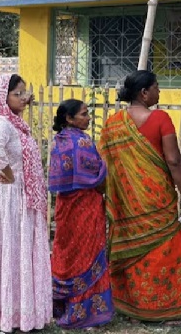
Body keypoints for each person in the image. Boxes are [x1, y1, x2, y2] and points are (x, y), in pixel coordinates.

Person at [98, 70, 181, 326]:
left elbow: (105, 166)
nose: (159, 92)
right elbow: (173, 161)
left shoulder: (112, 123)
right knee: (166, 250)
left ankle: (131, 310)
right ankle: (170, 313)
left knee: (133, 251)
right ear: (144, 93)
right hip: (157, 202)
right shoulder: (160, 119)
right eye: (156, 87)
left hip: (127, 205)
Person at [0, 74, 52, 333]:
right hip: (8, 195)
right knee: (7, 249)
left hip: (19, 194)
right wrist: (8, 173)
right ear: (2, 97)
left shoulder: (14, 123)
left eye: (23, 92)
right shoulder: (0, 122)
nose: (23, 97)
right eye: (17, 93)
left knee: (18, 251)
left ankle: (20, 313)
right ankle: (3, 315)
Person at [49, 99, 114, 329]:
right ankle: (84, 313)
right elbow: (97, 175)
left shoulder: (59, 141)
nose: (89, 118)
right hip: (86, 206)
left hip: (65, 207)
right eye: (84, 114)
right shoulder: (83, 142)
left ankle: (62, 306)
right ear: (70, 118)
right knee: (86, 255)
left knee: (67, 252)